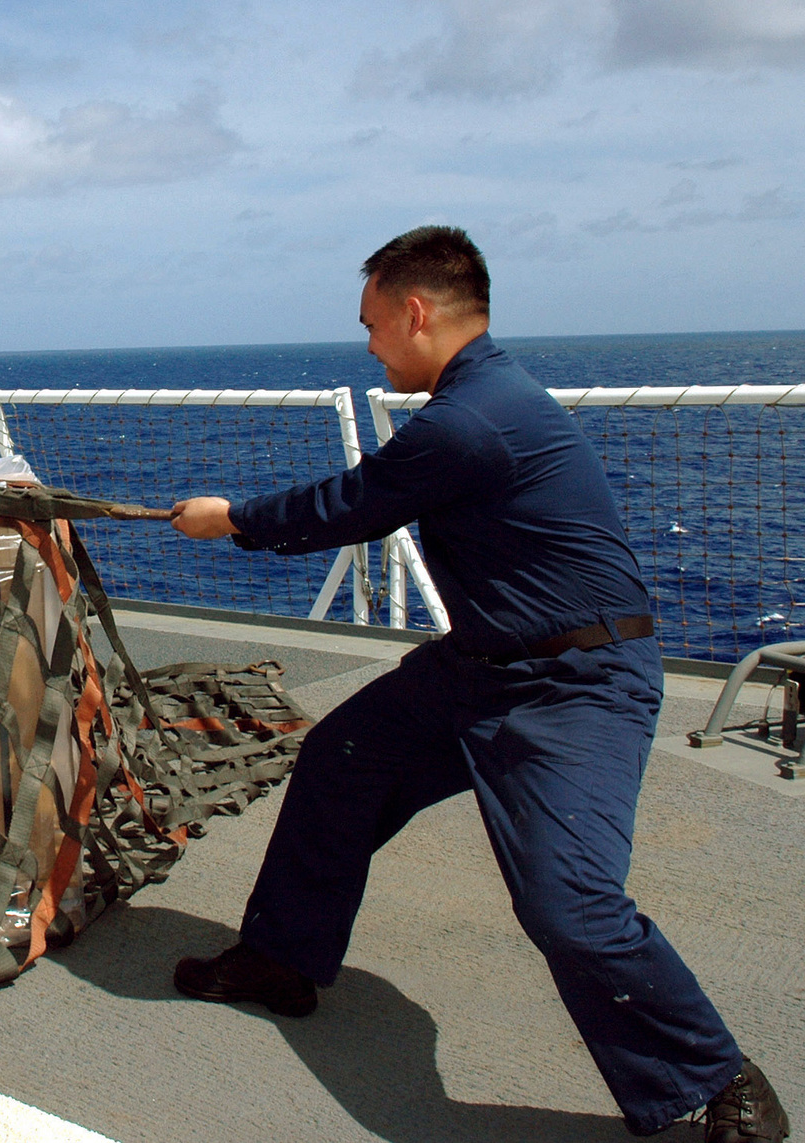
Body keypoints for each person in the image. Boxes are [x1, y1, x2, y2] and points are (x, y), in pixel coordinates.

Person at [168, 227, 790, 1142]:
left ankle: (717, 1079)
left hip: (575, 681)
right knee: (342, 760)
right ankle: (280, 958)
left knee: (569, 906)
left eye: (374, 325)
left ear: (417, 313)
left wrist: (231, 519)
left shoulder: (471, 418)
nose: (370, 345)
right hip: (481, 665)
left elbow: (351, 506)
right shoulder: (481, 398)